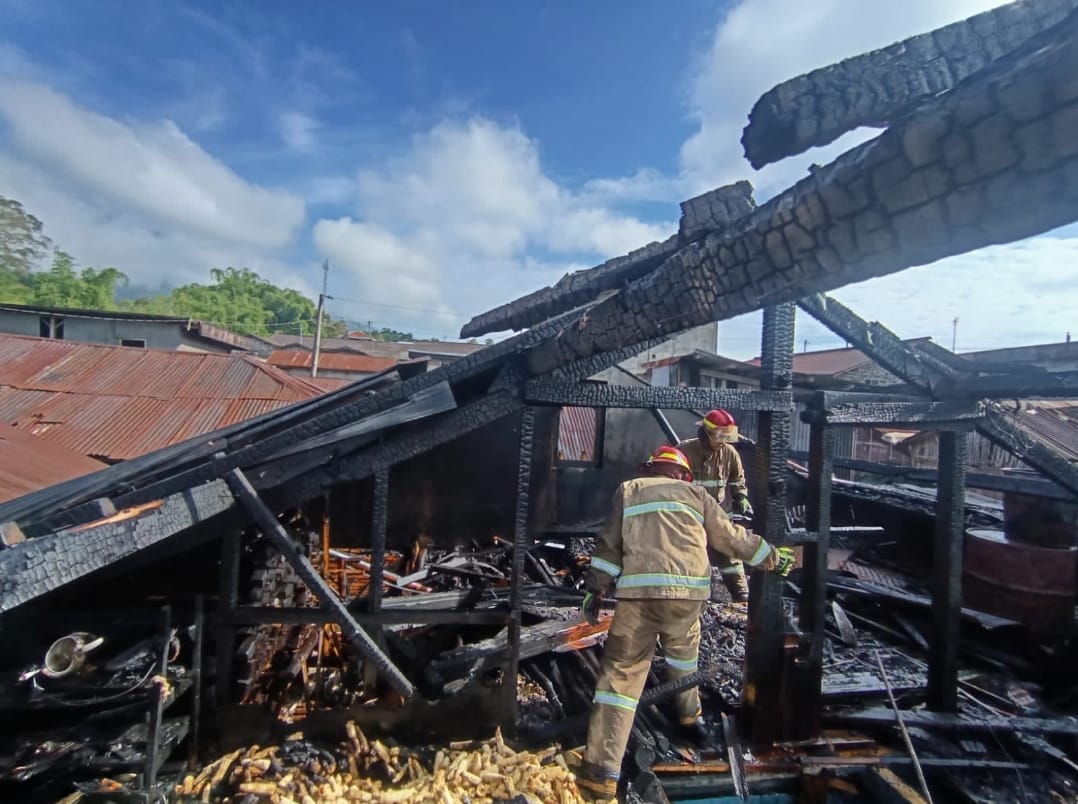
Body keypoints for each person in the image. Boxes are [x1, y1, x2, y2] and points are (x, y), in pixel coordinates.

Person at [574, 445, 795, 800]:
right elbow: (730, 538)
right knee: (682, 659)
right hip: (686, 598)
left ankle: (600, 773)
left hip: (638, 598)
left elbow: (608, 546)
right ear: (682, 474)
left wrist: (594, 590)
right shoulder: (697, 495)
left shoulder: (629, 490)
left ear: (651, 470)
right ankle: (689, 720)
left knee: (620, 678)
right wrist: (771, 556)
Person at [679, 409, 753, 602]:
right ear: (706, 433)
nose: (722, 441)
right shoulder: (685, 450)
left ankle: (741, 595)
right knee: (692, 554)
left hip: (717, 514)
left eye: (726, 437)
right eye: (719, 436)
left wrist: (741, 497)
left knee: (729, 552)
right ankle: (696, 598)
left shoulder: (729, 453)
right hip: (689, 516)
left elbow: (737, 479)